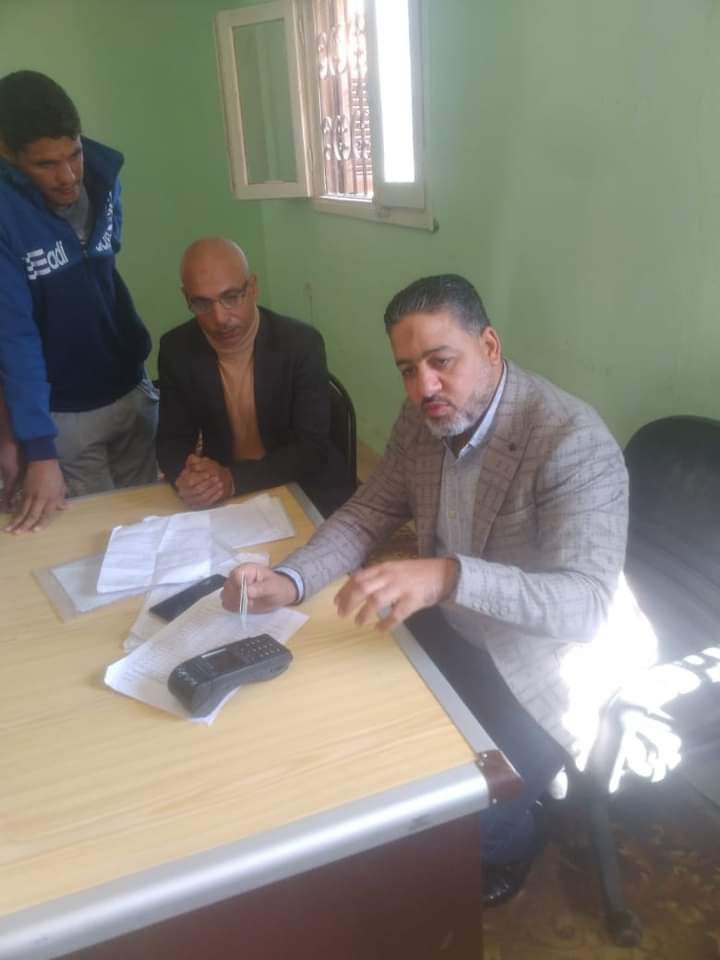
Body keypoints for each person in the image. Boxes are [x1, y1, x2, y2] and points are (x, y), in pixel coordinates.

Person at [222, 274, 654, 908]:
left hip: (545, 664)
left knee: (452, 830)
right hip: (457, 629)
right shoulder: (424, 418)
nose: (423, 387)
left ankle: (520, 832)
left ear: (489, 346)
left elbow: (586, 606)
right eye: (407, 369)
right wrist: (289, 580)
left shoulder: (570, 440)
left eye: (441, 361)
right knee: (353, 733)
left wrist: (450, 575)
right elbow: (367, 513)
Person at [0, 71, 157, 534]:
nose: (68, 176)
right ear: (7, 153)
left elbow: (105, 270)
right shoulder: (6, 219)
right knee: (96, 537)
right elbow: (15, 338)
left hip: (131, 387)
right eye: (47, 164)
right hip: (65, 413)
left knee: (149, 523)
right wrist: (39, 450)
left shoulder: (105, 177)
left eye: (74, 154)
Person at [156, 237, 353, 517]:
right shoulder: (177, 349)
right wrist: (191, 477)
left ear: (253, 287)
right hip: (225, 490)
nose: (220, 318)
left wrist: (233, 479)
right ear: (186, 298)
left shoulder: (301, 344)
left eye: (231, 297)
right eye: (201, 303)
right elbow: (171, 440)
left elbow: (311, 449)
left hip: (303, 483)